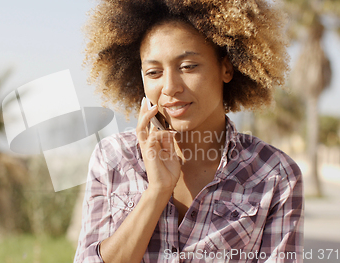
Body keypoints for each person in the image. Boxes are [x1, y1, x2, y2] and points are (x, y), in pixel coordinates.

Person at [74, 0, 303, 262]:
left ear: (226, 68)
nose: (170, 87)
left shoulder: (274, 175)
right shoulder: (113, 157)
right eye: (154, 72)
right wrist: (156, 192)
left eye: (188, 66)